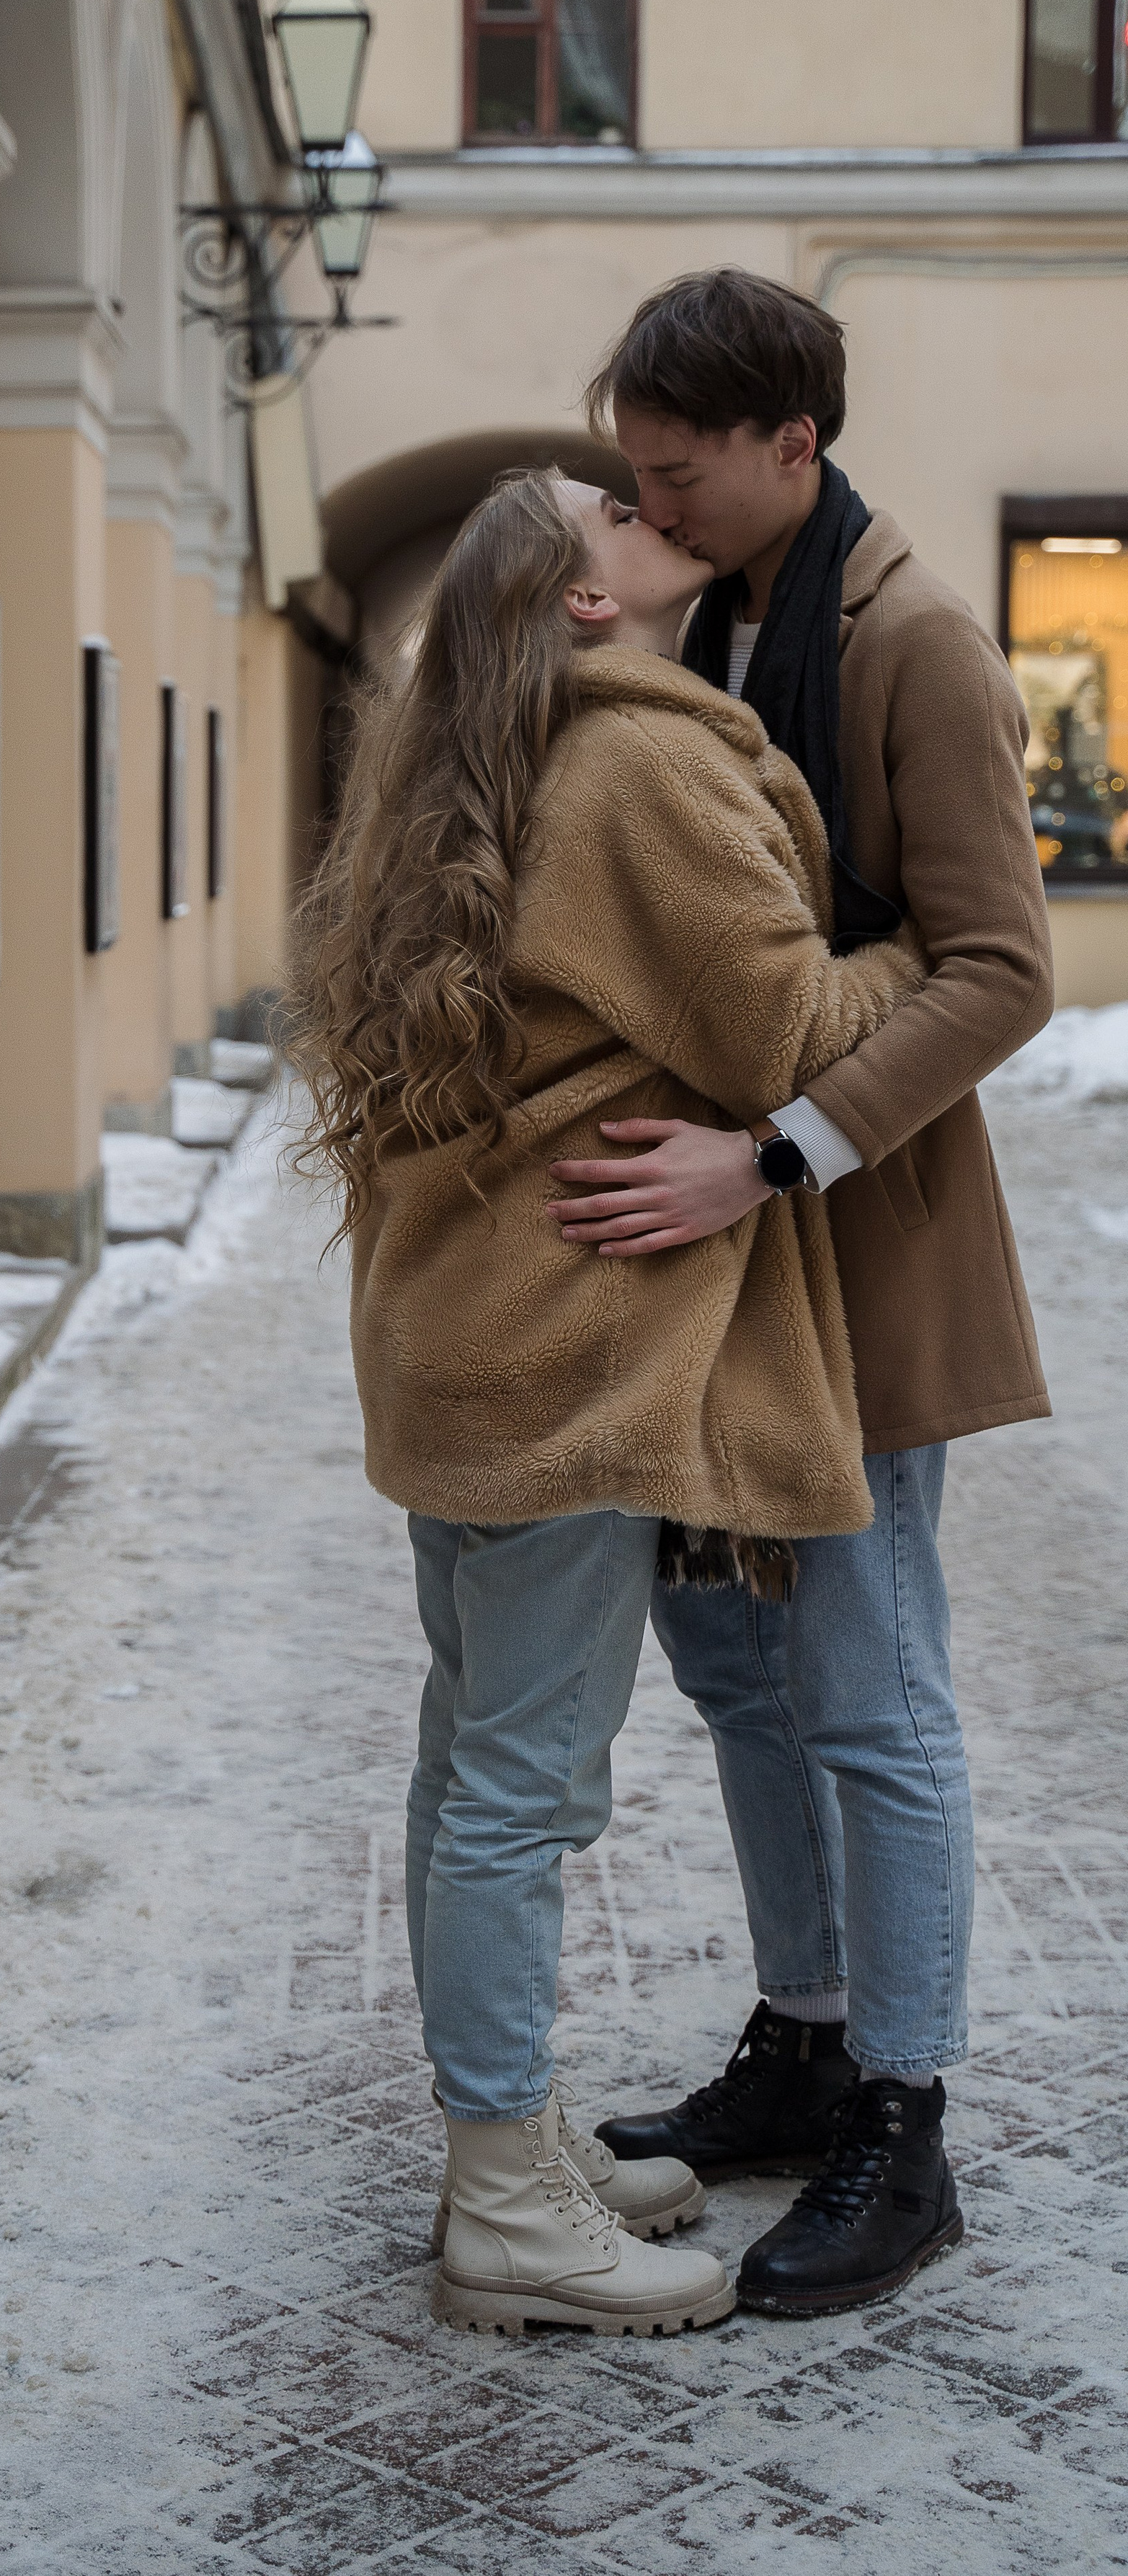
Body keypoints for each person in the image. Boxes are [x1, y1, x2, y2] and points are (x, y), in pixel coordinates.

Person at [290, 465, 928, 2339]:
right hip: (570, 1360)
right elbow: (794, 1038)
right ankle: (503, 2203)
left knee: (464, 1761)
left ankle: (512, 2142)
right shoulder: (644, 764)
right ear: (585, 603)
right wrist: (926, 958)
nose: (654, 516)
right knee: (519, 1792)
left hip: (460, 1340)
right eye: (616, 518)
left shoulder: (468, 763)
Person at [549, 267, 1052, 2316]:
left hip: (854, 1232)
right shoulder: (727, 601)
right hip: (718, 1266)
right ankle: (809, 2033)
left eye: (675, 476)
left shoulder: (913, 636)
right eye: (628, 473)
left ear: (794, 448)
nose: (641, 502)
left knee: (869, 1676)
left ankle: (904, 2126)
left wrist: (774, 1152)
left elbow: (1004, 967)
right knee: (736, 1664)